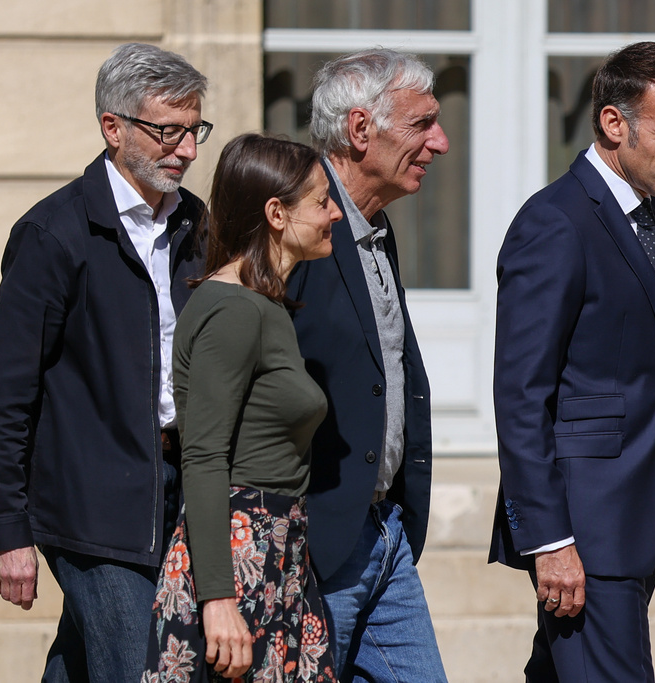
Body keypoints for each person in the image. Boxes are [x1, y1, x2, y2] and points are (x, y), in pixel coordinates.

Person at [0, 43, 209, 682]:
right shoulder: (54, 233)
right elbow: (1, 395)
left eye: (194, 132)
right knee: (139, 669)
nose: (185, 151)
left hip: (177, 490)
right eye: (168, 131)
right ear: (113, 127)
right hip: (89, 507)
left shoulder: (194, 223)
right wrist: (8, 533)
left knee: (81, 664)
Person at [489, 41, 655, 681]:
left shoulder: (644, 212)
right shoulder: (556, 224)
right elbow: (521, 394)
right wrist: (551, 540)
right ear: (614, 124)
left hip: (631, 517)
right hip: (586, 533)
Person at [142, 133, 342, 683]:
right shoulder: (230, 310)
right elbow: (203, 457)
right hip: (237, 556)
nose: (335, 215)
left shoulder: (264, 304)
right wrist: (218, 599)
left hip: (280, 553)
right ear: (276, 213)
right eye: (322, 202)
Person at [285, 48, 450, 682]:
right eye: (421, 123)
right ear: (361, 130)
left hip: (385, 533)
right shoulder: (293, 224)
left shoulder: (375, 223)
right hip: (315, 540)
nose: (438, 140)